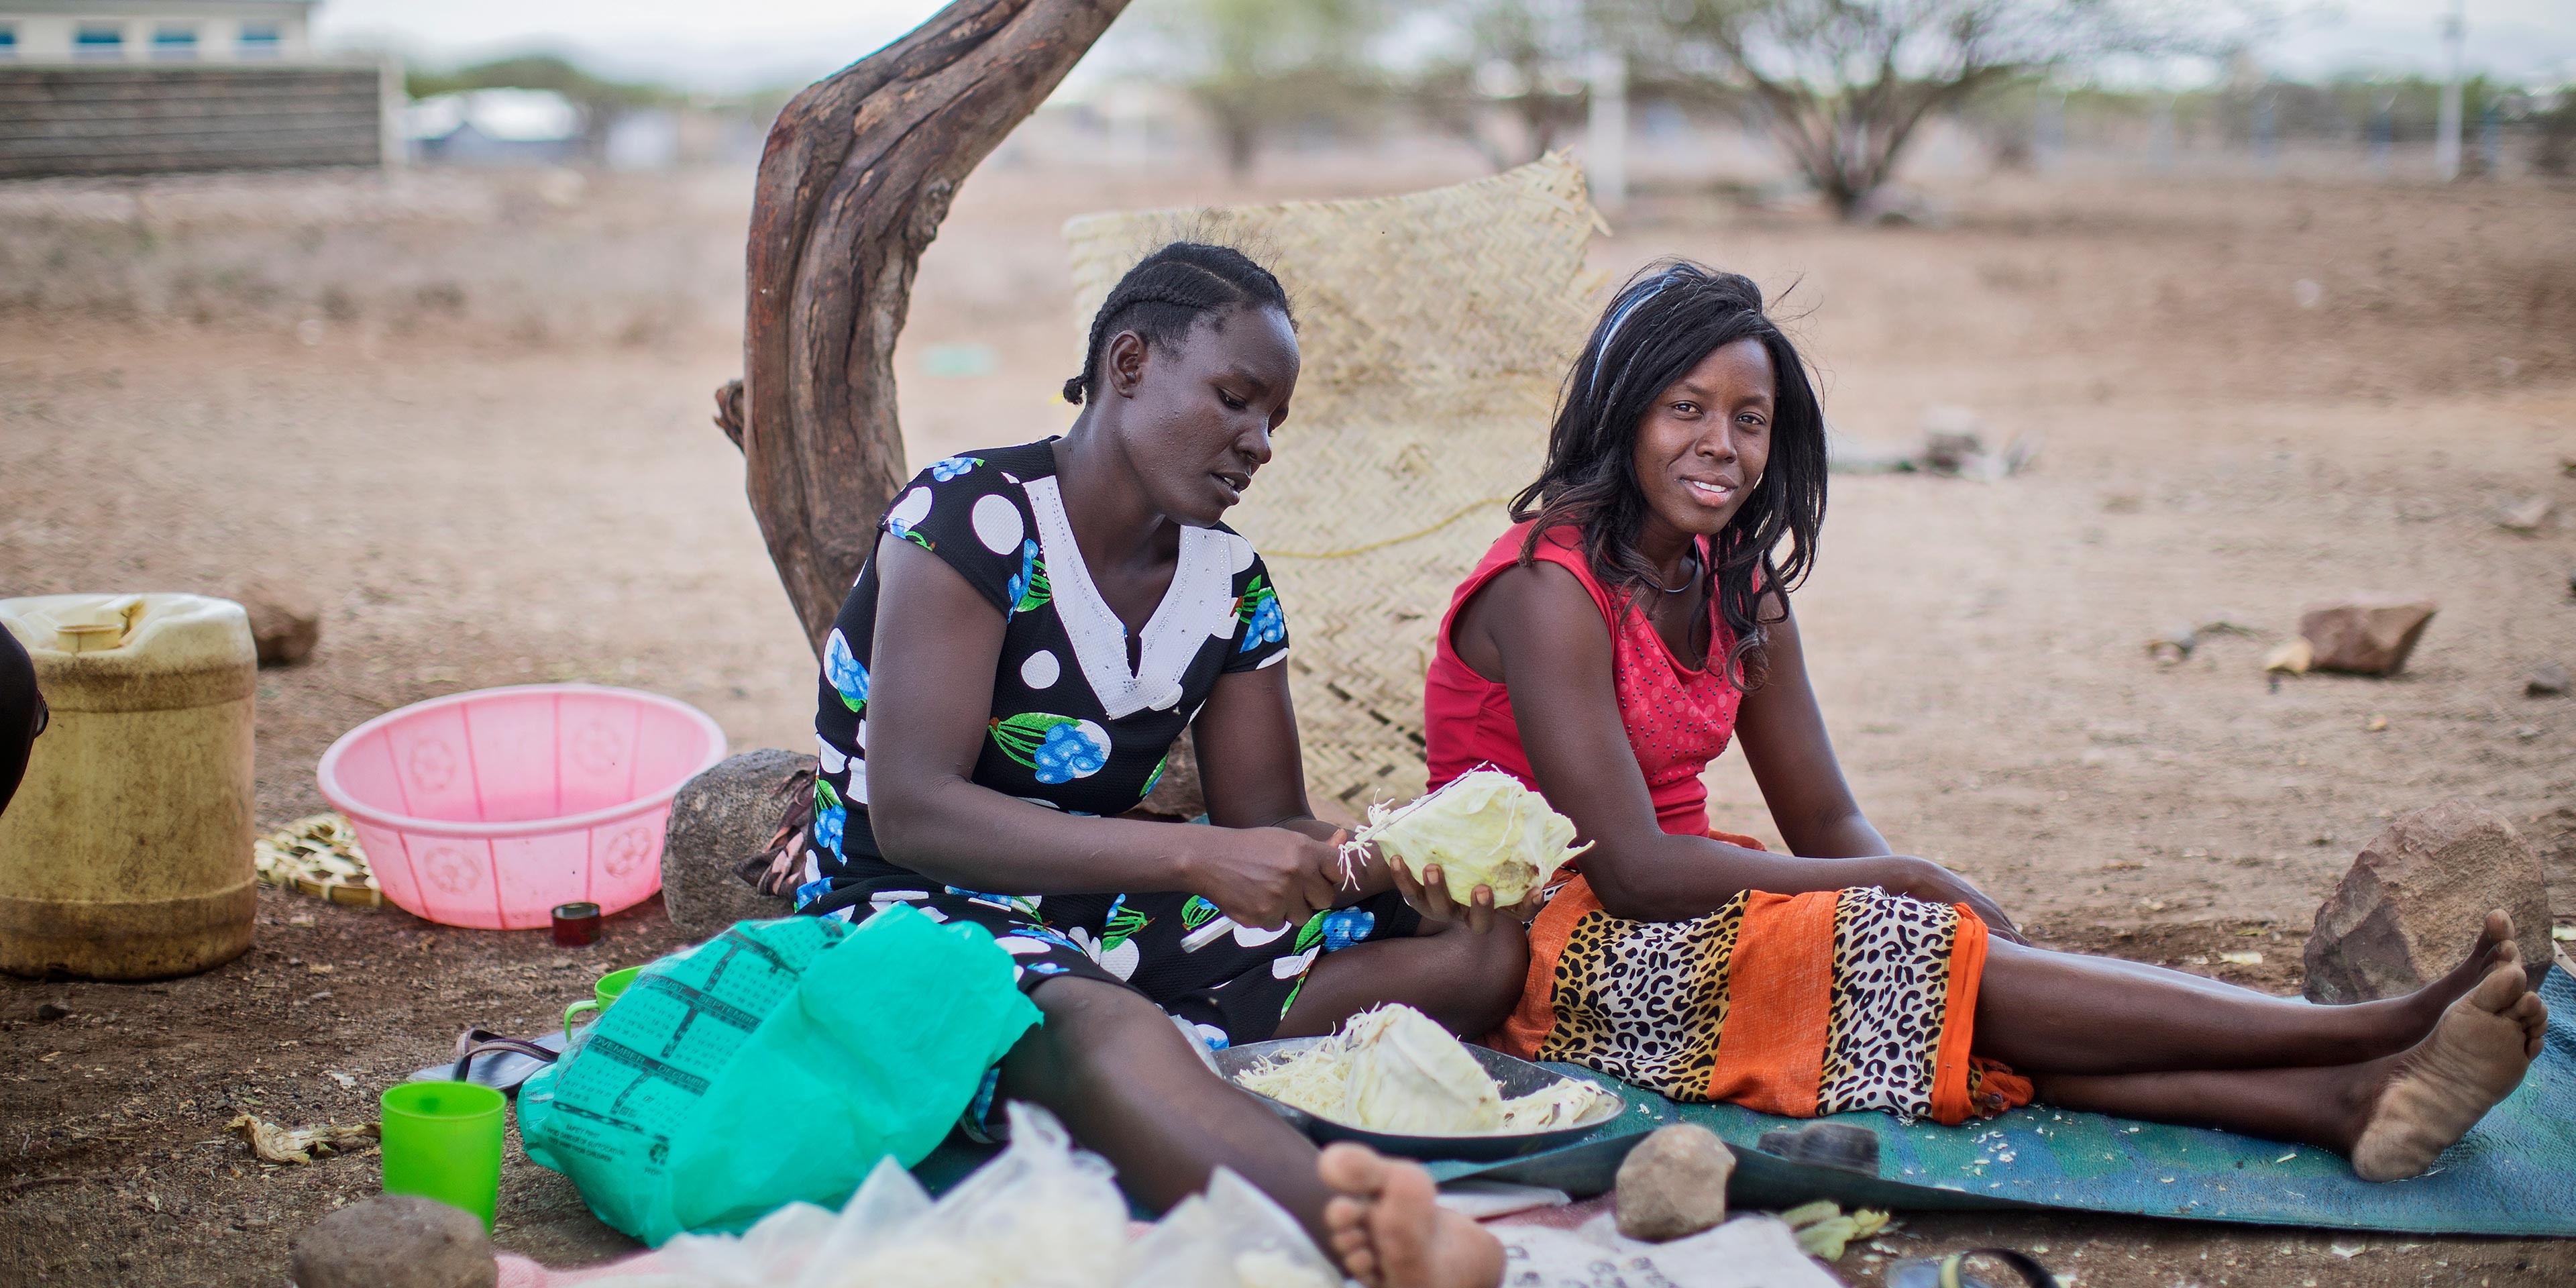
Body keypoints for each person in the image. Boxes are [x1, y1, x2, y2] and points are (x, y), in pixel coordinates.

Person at [1421, 260, 2546, 1181]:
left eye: (1750, 420)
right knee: (1903, 946)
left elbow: (1827, 814)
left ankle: (2351, 1109)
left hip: (1684, 904)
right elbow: (1627, 873)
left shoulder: (1737, 587)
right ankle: (2360, 1033)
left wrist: (1932, 890)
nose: (1722, 445)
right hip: (1543, 949)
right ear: (1624, 417)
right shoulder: (1546, 587)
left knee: (1947, 980)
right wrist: (1900, 884)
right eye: (1687, 410)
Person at [798, 242, 1515, 1287]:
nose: (1258, 442)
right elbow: (911, 811)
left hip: (1104, 904)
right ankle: (1342, 1222)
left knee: (1479, 952)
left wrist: (1396, 860)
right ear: (1129, 362)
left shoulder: (1230, 583)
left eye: (1273, 420)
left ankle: (1165, 1082)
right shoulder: (972, 518)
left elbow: (1271, 817)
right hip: (913, 904)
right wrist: (1193, 862)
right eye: (1236, 399)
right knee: (1103, 1025)